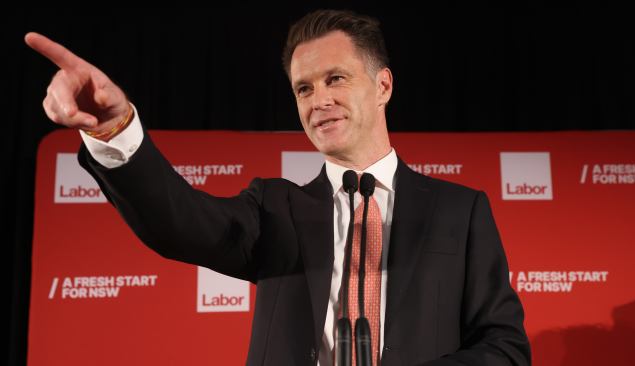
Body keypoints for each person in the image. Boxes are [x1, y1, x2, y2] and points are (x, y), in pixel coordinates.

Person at [25, 9, 531, 366]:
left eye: (336, 79)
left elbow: (503, 346)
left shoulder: (459, 212)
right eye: (304, 88)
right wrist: (115, 129)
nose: (320, 100)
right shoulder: (274, 208)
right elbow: (179, 221)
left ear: (383, 86)